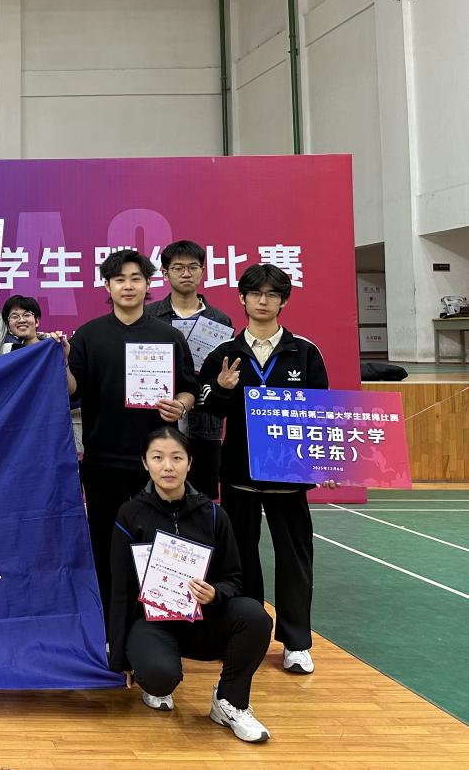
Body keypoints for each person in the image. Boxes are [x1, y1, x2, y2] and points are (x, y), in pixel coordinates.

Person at [198, 263, 331, 675]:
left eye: (272, 294)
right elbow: (208, 406)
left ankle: (296, 643)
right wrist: (223, 389)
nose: (263, 300)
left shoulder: (304, 352)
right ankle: (248, 635)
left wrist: (325, 461)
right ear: (242, 298)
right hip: (239, 476)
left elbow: (322, 413)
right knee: (240, 562)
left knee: (295, 562)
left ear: (283, 301)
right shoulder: (225, 353)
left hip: (289, 479)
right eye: (255, 293)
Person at [109, 427, 273, 743]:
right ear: (145, 463)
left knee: (255, 616)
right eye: (158, 458)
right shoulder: (130, 515)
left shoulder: (214, 514)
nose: (168, 466)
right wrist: (120, 659)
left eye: (176, 458)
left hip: (202, 622)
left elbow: (233, 578)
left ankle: (230, 701)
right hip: (153, 625)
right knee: (160, 678)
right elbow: (120, 590)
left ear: (190, 463)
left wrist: (216, 594)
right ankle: (154, 679)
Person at [67, 249, 198, 617]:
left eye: (135, 279)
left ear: (147, 284)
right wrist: (62, 362)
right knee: (105, 543)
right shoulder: (88, 335)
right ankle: (110, 625)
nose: (128, 286)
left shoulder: (168, 335)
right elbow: (72, 391)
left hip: (157, 463)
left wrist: (180, 406)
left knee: (157, 544)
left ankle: (156, 622)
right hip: (102, 459)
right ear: (107, 286)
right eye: (119, 279)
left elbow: (189, 389)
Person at [148, 240, 235, 499]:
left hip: (205, 423)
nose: (186, 273)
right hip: (158, 417)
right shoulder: (149, 316)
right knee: (157, 496)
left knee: (202, 499)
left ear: (202, 271)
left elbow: (224, 375)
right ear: (165, 273)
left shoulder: (219, 320)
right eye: (178, 268)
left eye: (193, 267)